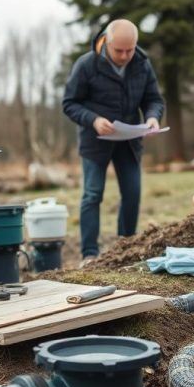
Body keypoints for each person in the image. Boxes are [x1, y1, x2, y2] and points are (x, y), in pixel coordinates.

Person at [62, 19, 164, 264]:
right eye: (119, 50)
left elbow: (154, 99)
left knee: (132, 192)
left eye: (130, 50)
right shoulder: (87, 65)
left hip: (129, 140)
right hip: (95, 139)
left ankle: (125, 248)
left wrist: (152, 117)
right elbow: (69, 103)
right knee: (92, 194)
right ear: (106, 42)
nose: (125, 55)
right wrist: (94, 119)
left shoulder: (142, 64)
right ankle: (89, 254)